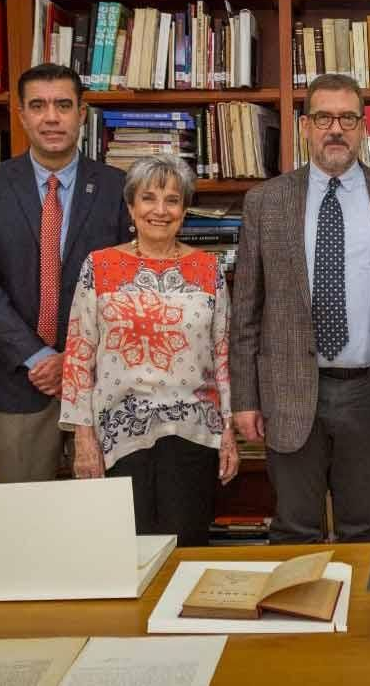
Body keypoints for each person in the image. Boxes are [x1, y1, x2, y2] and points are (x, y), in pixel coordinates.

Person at [230, 73, 370, 544]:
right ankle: (298, 618)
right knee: (294, 527)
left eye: (347, 118)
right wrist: (245, 399)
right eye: (323, 117)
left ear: (362, 128)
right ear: (305, 127)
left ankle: (356, 618)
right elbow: (246, 309)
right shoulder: (266, 202)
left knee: (364, 527)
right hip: (289, 390)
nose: (335, 129)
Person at [0, 63, 130, 483]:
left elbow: (127, 283)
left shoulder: (117, 188)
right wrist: (38, 357)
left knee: (102, 520)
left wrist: (72, 360)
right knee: (26, 520)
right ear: (21, 115)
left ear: (82, 113)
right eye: (38, 105)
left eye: (62, 105)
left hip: (102, 383)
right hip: (17, 380)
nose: (51, 117)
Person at [59, 154, 237, 545]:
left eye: (172, 200)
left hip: (193, 435)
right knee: (125, 554)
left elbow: (223, 354)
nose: (160, 210)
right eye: (149, 198)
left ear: (185, 210)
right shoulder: (99, 266)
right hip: (118, 437)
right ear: (131, 206)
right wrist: (83, 438)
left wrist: (228, 433)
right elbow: (78, 354)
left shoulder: (208, 268)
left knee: (185, 548)